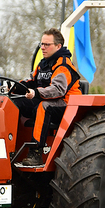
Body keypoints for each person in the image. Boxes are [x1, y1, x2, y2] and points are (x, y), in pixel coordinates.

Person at [13, 28, 82, 166]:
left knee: (43, 107)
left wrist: (37, 93)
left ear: (58, 46)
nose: (43, 48)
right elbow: (32, 82)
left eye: (46, 45)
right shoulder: (43, 64)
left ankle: (36, 152)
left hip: (66, 104)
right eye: (41, 44)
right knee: (16, 102)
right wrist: (14, 87)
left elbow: (58, 90)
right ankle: (12, 146)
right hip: (47, 99)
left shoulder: (63, 65)